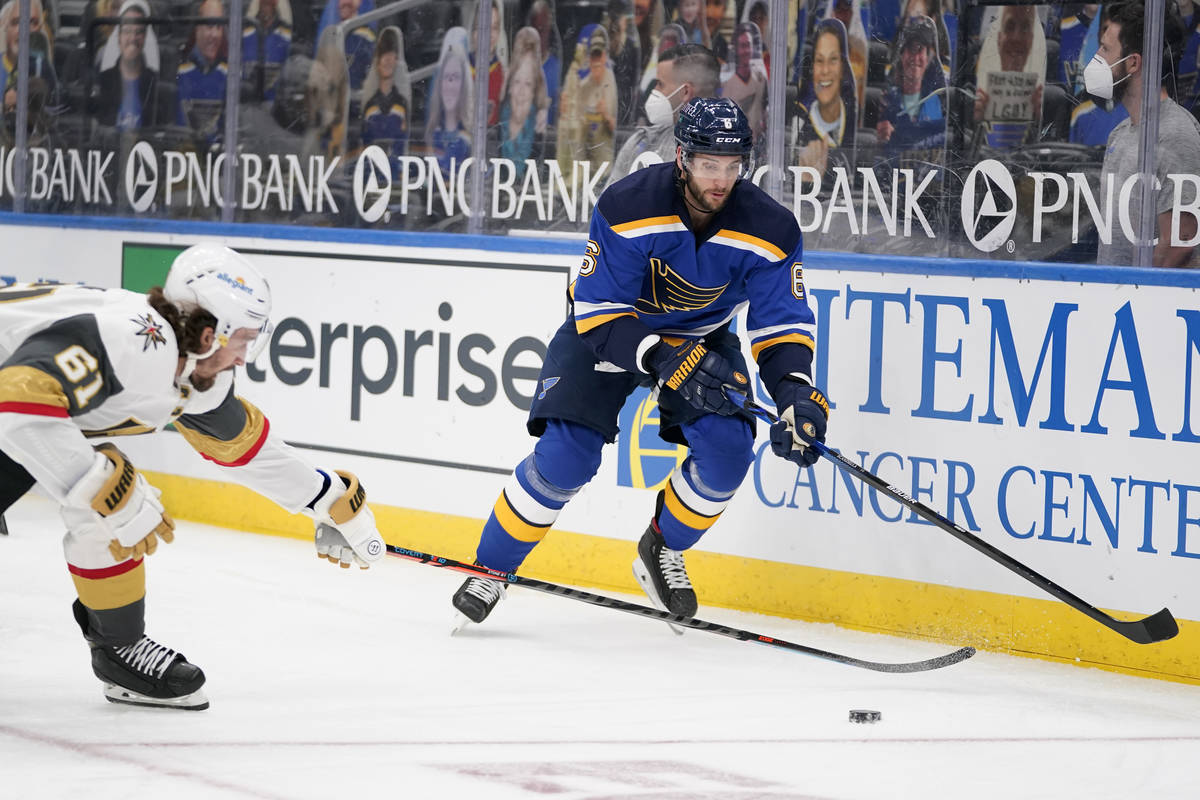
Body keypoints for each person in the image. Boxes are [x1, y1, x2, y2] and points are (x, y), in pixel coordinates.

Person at [450, 97, 829, 626]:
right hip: (610, 332)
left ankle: (661, 548)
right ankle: (490, 571)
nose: (721, 179)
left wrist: (794, 391)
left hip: (701, 335)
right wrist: (660, 356)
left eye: (732, 166)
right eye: (708, 165)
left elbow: (781, 322)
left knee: (727, 453)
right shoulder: (628, 206)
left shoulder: (772, 229)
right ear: (682, 158)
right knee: (567, 456)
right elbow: (600, 311)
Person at [0, 245, 385, 710]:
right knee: (109, 494)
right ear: (209, 334)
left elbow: (240, 443)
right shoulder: (133, 341)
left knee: (109, 496)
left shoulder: (188, 368)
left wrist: (326, 497)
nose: (244, 357)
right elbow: (18, 398)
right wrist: (98, 484)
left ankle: (119, 648)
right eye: (242, 339)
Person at [1089, 0, 1200, 266]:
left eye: (1105, 49)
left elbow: (1180, 240)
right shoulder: (1119, 134)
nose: (1098, 58)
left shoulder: (1176, 134)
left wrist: (1137, 290)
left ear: (1133, 63)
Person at [608, 42, 719, 184]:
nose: (654, 90)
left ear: (685, 92)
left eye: (660, 84)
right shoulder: (642, 142)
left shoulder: (725, 154)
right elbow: (607, 202)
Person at [972, 4, 1045, 149]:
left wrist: (1038, 123)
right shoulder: (971, 99)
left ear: (1031, 39)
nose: (1016, 38)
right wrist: (974, 124)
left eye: (1025, 28)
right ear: (999, 38)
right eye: (1010, 27)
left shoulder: (1047, 101)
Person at [791, 17, 857, 178]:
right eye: (819, 60)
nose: (825, 70)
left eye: (833, 59)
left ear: (843, 67)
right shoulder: (798, 125)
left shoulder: (853, 118)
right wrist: (807, 179)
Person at [876, 14, 947, 153]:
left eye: (920, 50)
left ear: (927, 59)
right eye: (910, 50)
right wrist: (878, 136)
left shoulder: (940, 101)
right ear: (902, 56)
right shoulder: (885, 101)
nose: (915, 58)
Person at [89, 0, 162, 131]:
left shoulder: (156, 83)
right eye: (127, 31)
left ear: (145, 36)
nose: (133, 38)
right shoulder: (103, 80)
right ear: (119, 37)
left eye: (139, 31)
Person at [556, 24, 617, 175]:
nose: (596, 60)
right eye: (593, 55)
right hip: (584, 163)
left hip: (604, 165)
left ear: (605, 56)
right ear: (589, 58)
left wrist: (606, 116)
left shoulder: (612, 81)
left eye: (599, 55)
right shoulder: (583, 86)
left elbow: (621, 127)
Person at [495, 26, 548, 180]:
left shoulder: (539, 134)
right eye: (517, 82)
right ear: (509, 86)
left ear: (534, 91)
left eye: (528, 84)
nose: (521, 92)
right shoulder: (496, 127)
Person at [176, 0, 229, 147]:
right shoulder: (177, 68)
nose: (215, 34)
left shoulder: (230, 72)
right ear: (196, 28)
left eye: (219, 27)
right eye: (209, 26)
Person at [425, 28, 473, 179]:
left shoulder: (463, 141)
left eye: (456, 78)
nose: (450, 85)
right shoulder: (434, 134)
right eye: (446, 77)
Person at [360, 25, 410, 161]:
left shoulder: (401, 104)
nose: (388, 60)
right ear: (377, 62)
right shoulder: (370, 105)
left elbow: (401, 143)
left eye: (392, 55)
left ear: (396, 60)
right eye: (384, 55)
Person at [316, 0, 375, 91]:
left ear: (360, 2)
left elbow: (352, 78)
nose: (346, 2)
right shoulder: (332, 32)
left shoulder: (364, 36)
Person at [721, 21, 767, 140]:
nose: (746, 50)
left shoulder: (760, 79)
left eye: (748, 45)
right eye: (742, 46)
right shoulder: (727, 84)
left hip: (758, 145)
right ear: (735, 49)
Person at [242, 0, 293, 102]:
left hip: (275, 109)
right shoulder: (244, 31)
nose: (267, 4)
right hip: (247, 107)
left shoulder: (287, 35)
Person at [526, 0, 561, 126]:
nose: (540, 36)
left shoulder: (557, 69)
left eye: (544, 29)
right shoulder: (522, 68)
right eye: (537, 30)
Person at [607, 0, 642, 127]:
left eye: (619, 17)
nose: (616, 22)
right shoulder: (604, 43)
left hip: (622, 104)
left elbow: (633, 82)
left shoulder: (631, 46)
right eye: (614, 17)